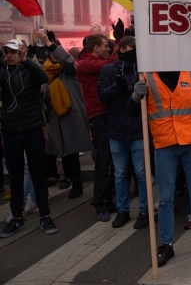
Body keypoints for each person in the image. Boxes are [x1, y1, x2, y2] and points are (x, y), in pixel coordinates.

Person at [129, 71, 191, 267]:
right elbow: (132, 111)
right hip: (164, 143)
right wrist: (136, 96)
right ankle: (166, 244)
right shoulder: (146, 75)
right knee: (166, 198)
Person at [0, 39, 58, 238]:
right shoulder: (3, 70)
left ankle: (45, 215)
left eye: (12, 52)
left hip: (32, 129)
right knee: (15, 177)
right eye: (6, 52)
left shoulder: (28, 69)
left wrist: (26, 60)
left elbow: (43, 78)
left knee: (37, 174)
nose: (8, 55)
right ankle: (16, 217)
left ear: (20, 53)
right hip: (10, 131)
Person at [98, 36, 149, 230]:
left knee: (142, 173)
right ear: (123, 48)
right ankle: (123, 210)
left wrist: (129, 88)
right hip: (117, 129)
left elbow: (146, 95)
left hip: (137, 127)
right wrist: (117, 87)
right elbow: (102, 96)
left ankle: (143, 210)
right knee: (120, 174)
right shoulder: (108, 70)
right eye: (133, 48)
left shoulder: (141, 71)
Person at [35, 30, 90, 200]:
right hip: (54, 118)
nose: (53, 57)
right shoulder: (46, 73)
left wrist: (49, 43)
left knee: (71, 153)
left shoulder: (69, 69)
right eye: (50, 55)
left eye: (55, 53)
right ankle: (66, 177)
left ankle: (77, 182)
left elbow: (67, 61)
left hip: (69, 117)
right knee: (61, 152)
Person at [77, 33, 117, 221]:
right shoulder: (86, 63)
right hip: (98, 114)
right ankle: (100, 202)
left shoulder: (91, 61)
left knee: (110, 160)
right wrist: (119, 42)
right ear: (95, 48)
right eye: (105, 46)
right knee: (103, 160)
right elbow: (111, 64)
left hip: (107, 112)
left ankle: (107, 200)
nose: (107, 49)